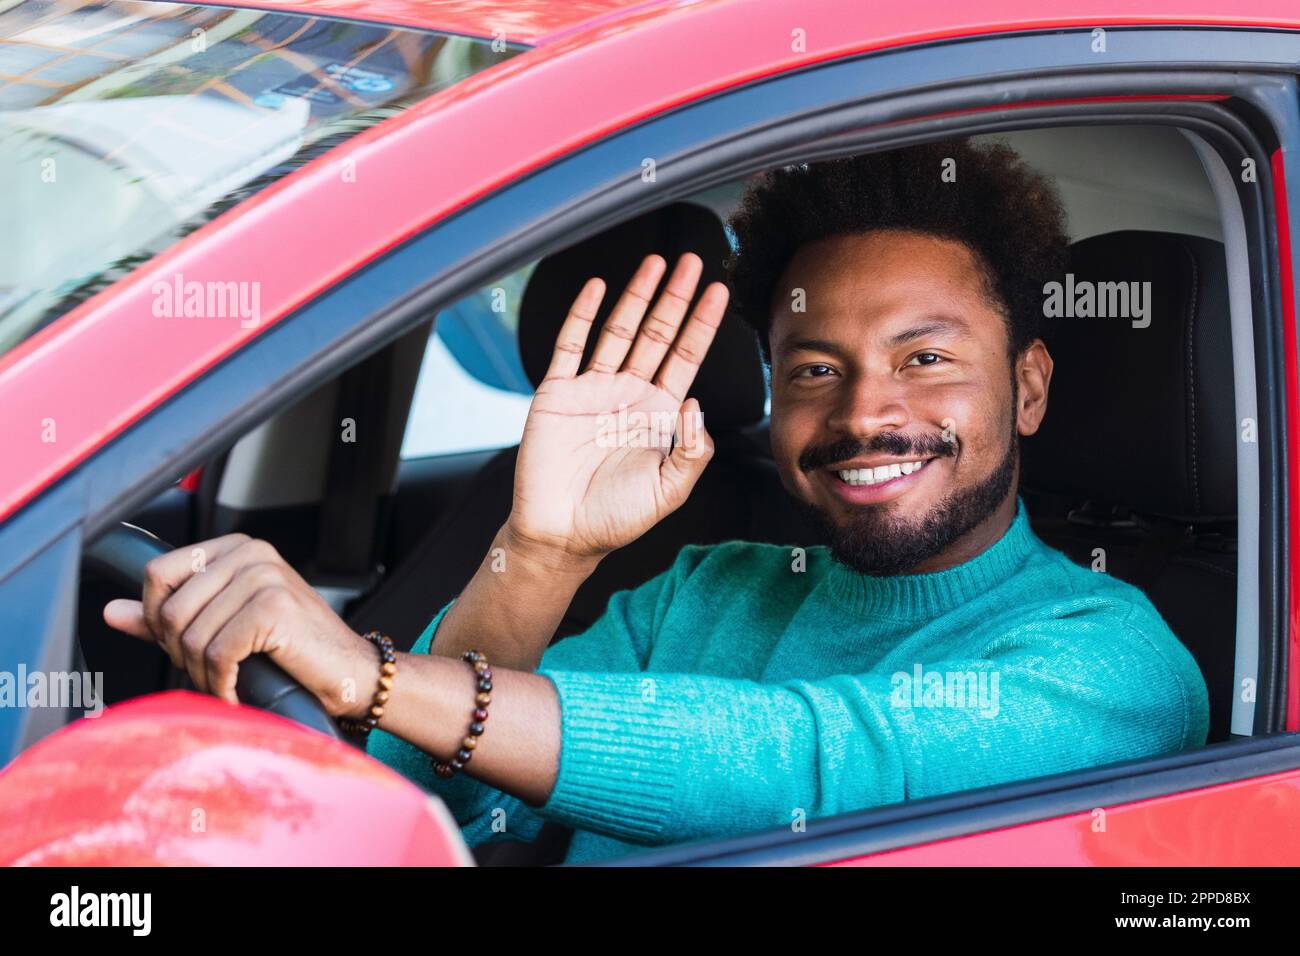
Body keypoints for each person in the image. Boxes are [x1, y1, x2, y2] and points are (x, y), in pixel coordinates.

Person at [104, 138, 1210, 864]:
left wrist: (371, 671)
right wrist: (537, 553)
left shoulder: (1112, 661)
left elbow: (807, 762)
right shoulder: (706, 586)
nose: (865, 410)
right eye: (815, 368)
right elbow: (441, 811)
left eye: (925, 359)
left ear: (1025, 387)